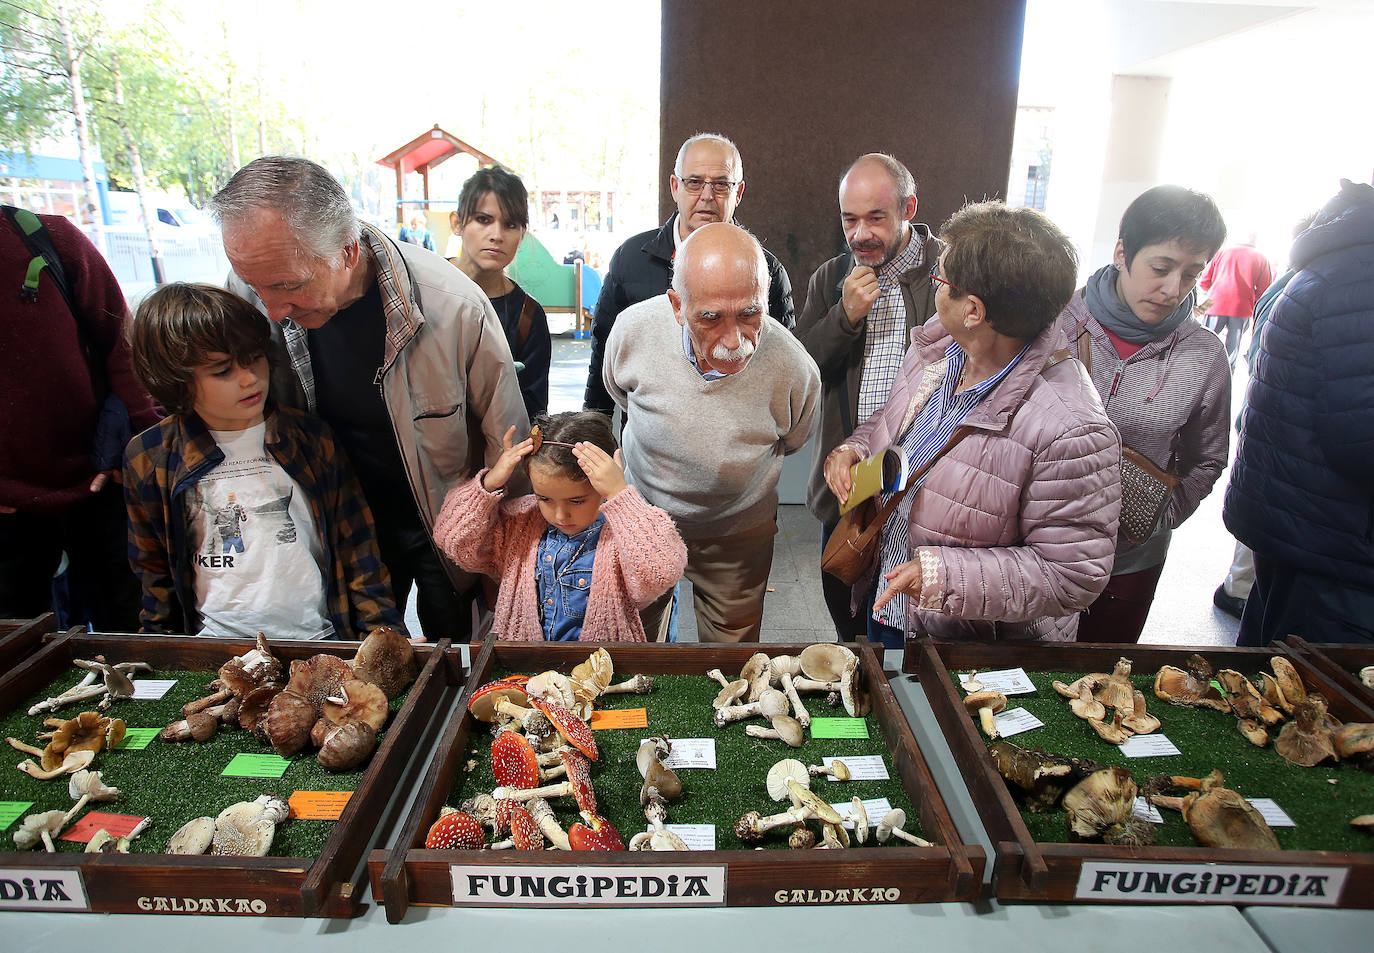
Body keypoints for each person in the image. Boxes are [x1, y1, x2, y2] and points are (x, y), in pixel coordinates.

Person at [211, 156, 528, 642]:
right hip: (335, 520)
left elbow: (505, 439)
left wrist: (504, 563)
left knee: (454, 651)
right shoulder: (250, 295)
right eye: (255, 285)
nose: (271, 310)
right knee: (357, 660)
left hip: (440, 516)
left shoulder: (453, 305)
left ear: (347, 252)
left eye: (288, 286)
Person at [824, 201, 1120, 648]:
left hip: (964, 641)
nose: (935, 285)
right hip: (892, 599)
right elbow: (894, 424)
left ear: (974, 311)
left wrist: (941, 576)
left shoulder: (1071, 428)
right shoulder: (938, 349)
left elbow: (1072, 575)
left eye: (941, 279)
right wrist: (855, 450)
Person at [123, 283, 405, 640]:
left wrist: (384, 636)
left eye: (254, 358)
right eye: (222, 370)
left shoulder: (310, 439)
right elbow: (153, 573)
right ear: (176, 380)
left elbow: (359, 551)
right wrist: (161, 651)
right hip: (214, 645)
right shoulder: (150, 456)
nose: (249, 378)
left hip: (319, 638)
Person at [604, 223, 819, 642]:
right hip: (643, 523)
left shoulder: (794, 368)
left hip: (736, 537)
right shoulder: (633, 332)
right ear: (676, 306)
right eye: (710, 318)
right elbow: (621, 396)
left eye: (750, 313)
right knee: (632, 643)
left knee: (731, 658)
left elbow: (794, 438)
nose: (734, 340)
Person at [1061, 185, 1230, 644]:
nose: (1173, 289)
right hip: (1035, 551)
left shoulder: (1204, 355)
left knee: (1104, 683)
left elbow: (1209, 457)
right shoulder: (1054, 320)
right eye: (1161, 268)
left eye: (1193, 274)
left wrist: (1159, 518)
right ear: (1122, 252)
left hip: (1130, 561)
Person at [797, 154, 941, 641]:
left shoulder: (947, 270)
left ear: (909, 208)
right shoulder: (830, 277)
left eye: (876, 218)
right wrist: (844, 317)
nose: (861, 234)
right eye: (849, 219)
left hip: (925, 482)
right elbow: (803, 373)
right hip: (851, 482)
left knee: (909, 626)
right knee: (848, 621)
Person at [1224, 179, 1374, 646]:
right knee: (1312, 698)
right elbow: (1360, 436)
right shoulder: (1359, 277)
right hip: (1332, 541)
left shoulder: (1341, 262)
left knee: (1272, 677)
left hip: (1304, 526)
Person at [0, 207, 160, 631]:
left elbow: (121, 346)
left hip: (100, 480)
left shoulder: (45, 236)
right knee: (17, 645)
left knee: (129, 626)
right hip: (7, 509)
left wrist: (141, 450)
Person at [583, 133, 796, 415]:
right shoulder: (631, 259)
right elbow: (603, 350)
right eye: (694, 182)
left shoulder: (766, 271)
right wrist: (594, 425)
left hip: (737, 440)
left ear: (739, 192)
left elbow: (784, 365)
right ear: (675, 187)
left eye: (721, 184)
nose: (707, 196)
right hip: (648, 444)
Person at [432, 412, 686, 642]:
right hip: (524, 669)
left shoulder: (623, 534)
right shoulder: (518, 524)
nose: (560, 514)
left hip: (604, 674)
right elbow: (454, 541)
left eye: (577, 501)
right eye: (545, 498)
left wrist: (620, 495)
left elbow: (661, 572)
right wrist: (488, 485)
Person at [447, 165, 551, 420]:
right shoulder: (421, 288)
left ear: (522, 234)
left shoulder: (528, 316)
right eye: (483, 220)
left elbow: (532, 413)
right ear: (457, 223)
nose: (496, 235)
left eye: (510, 224)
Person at [1197, 235, 1272, 370]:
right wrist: (1250, 299)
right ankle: (1225, 383)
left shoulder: (1222, 252)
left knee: (1203, 344)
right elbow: (1265, 289)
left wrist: (1215, 293)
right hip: (1242, 308)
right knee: (1232, 351)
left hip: (1215, 303)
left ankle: (1196, 374)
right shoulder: (1261, 257)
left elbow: (1204, 281)